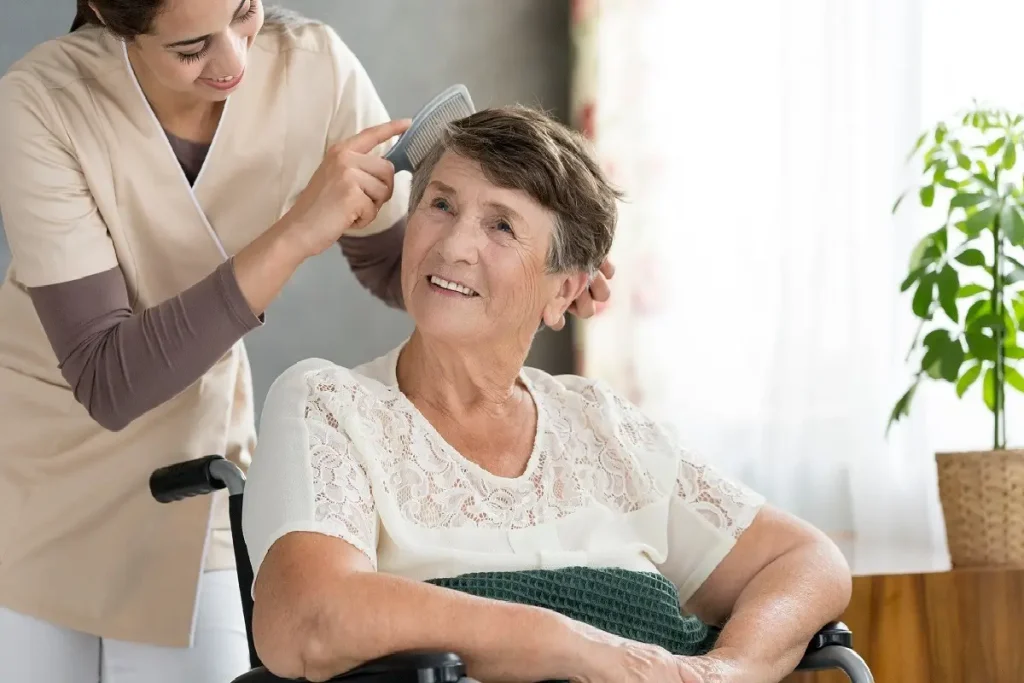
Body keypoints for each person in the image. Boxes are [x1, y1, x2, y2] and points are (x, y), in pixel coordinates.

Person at [0, 2, 613, 681]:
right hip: (36, 488)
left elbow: (396, 266)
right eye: (192, 47)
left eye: (243, 12)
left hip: (193, 472)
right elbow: (108, 381)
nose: (234, 60)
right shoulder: (42, 104)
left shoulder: (313, 68)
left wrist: (527, 280)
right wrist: (297, 231)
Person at [244, 106, 853, 683]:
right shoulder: (330, 405)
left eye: (501, 225)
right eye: (440, 204)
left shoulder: (601, 425)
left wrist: (731, 670)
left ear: (564, 292)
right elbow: (310, 617)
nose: (453, 245)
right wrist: (576, 647)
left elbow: (805, 560)